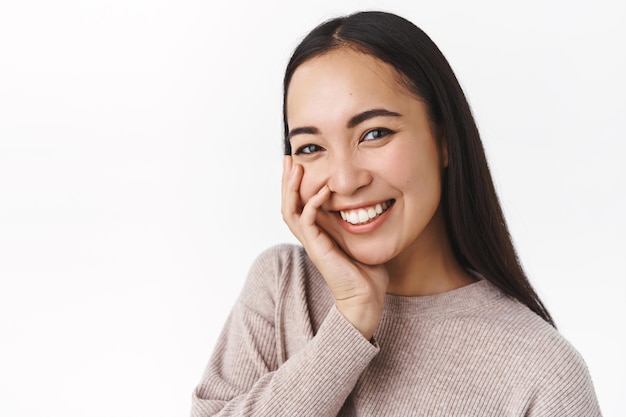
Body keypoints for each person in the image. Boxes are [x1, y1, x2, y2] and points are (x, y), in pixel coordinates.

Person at [190, 11, 601, 416]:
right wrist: (350, 321)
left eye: (374, 134)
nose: (345, 181)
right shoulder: (282, 287)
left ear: (443, 140)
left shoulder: (543, 373)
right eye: (311, 147)